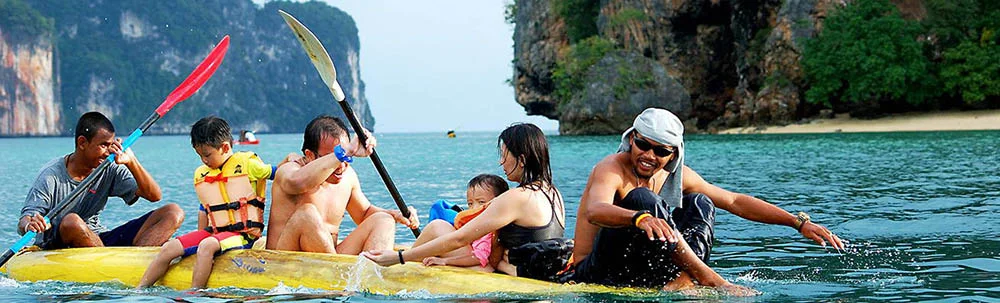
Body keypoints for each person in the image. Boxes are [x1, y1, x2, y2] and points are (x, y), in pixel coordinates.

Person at [569, 108, 842, 291]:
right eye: (642, 145)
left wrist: (798, 222)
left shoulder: (678, 175)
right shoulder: (612, 167)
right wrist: (638, 217)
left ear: (673, 155)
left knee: (701, 201)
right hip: (593, 270)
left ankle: (685, 276)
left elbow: (734, 201)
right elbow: (596, 210)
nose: (649, 156)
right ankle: (707, 277)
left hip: (642, 269)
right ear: (631, 140)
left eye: (660, 150)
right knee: (643, 199)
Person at [364, 123, 571, 281]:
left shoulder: (518, 197)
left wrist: (399, 257)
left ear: (522, 159)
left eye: (505, 155)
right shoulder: (554, 194)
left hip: (508, 276)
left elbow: (459, 239)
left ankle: (397, 267)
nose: (501, 162)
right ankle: (408, 258)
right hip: (536, 274)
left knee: (438, 227)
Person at [138, 116, 274, 289]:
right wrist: (194, 241)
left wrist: (294, 162)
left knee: (206, 245)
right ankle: (139, 290)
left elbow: (279, 174)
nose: (204, 160)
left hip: (244, 235)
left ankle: (196, 294)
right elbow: (205, 208)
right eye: (199, 155)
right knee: (169, 248)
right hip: (215, 233)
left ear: (225, 147)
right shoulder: (204, 174)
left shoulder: (248, 165)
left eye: (207, 155)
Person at [18, 112, 183, 249]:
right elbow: (24, 220)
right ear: (82, 142)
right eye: (103, 145)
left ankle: (137, 262)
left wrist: (132, 162)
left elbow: (154, 196)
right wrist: (30, 225)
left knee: (173, 212)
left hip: (97, 237)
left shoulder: (109, 167)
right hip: (60, 243)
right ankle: (112, 263)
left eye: (111, 145)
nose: (108, 152)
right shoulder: (50, 176)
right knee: (72, 221)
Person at [265, 115, 418, 254]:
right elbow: (297, 183)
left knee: (383, 219)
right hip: (285, 258)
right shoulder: (290, 170)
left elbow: (364, 213)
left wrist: (397, 214)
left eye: (346, 157)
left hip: (328, 259)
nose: (341, 165)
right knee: (307, 214)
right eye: (334, 157)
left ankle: (373, 276)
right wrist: (344, 152)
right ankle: (338, 275)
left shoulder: (348, 177)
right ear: (310, 155)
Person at [419, 174, 511, 273]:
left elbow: (479, 258)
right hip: (476, 261)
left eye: (481, 202)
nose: (474, 208)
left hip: (482, 269)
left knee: (437, 227)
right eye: (470, 204)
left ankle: (406, 258)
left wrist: (445, 261)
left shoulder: (489, 228)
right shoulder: (481, 224)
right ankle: (409, 256)